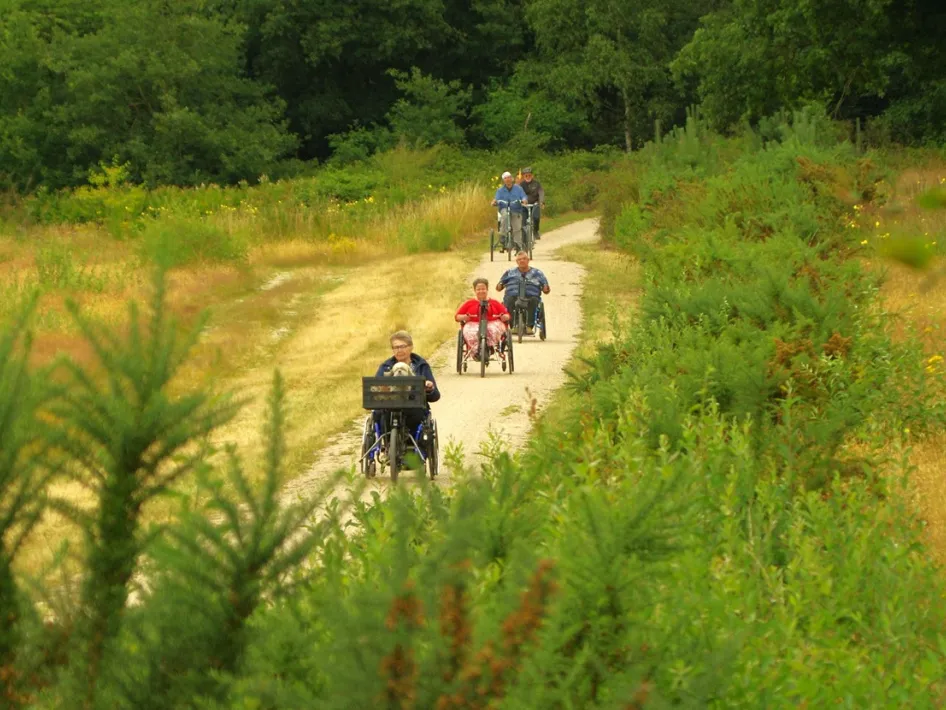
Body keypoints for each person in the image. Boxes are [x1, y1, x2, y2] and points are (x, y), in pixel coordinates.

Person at [373, 330, 440, 438]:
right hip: (390, 407)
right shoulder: (385, 367)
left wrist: (429, 389)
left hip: (414, 408)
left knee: (418, 414)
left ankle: (416, 442)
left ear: (411, 347)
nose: (399, 350)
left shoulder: (421, 366)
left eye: (403, 346)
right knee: (380, 414)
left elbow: (435, 396)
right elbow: (375, 390)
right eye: (396, 347)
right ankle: (387, 441)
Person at [455, 277, 510, 359]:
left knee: (492, 330)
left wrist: (503, 317)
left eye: (483, 289)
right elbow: (457, 316)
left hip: (492, 324)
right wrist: (464, 317)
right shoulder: (469, 303)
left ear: (487, 289)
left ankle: (489, 348)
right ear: (475, 290)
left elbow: (507, 315)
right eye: (478, 289)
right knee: (472, 332)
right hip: (473, 324)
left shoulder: (494, 303)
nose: (481, 291)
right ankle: (476, 351)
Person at [496, 251, 550, 334]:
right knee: (508, 301)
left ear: (528, 260)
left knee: (534, 301)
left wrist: (546, 288)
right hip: (513, 294)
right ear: (517, 262)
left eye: (524, 259)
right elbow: (500, 285)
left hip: (531, 295)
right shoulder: (510, 272)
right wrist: (500, 285)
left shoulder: (537, 273)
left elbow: (545, 287)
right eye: (519, 259)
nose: (522, 261)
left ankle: (529, 326)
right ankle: (514, 326)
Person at [491, 171, 528, 251]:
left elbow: (523, 196)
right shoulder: (500, 190)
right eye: (505, 178)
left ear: (512, 179)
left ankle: (518, 245)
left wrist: (524, 200)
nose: (507, 179)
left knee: (517, 227)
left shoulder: (518, 188)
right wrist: (494, 202)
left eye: (509, 178)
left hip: (516, 209)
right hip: (504, 208)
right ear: (503, 180)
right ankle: (503, 236)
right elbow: (496, 198)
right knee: (504, 216)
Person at [519, 167, 545, 240]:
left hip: (535, 204)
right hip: (524, 206)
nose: (528, 177)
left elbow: (541, 192)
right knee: (523, 222)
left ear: (532, 175)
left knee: (536, 217)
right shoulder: (521, 185)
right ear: (524, 177)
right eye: (526, 176)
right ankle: (524, 240)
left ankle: (535, 231)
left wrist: (541, 201)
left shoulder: (537, 184)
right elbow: (518, 195)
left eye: (529, 175)